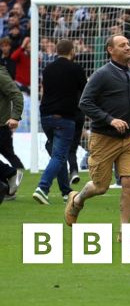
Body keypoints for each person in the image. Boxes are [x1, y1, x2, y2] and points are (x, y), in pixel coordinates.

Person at [70, 35, 130, 234]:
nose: (128, 48)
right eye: (123, 45)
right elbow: (84, 103)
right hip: (104, 139)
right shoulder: (101, 74)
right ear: (110, 50)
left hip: (129, 138)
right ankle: (77, 199)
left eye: (129, 44)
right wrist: (110, 119)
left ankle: (125, 231)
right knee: (100, 187)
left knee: (129, 182)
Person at [31, 40, 87, 205]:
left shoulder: (48, 68)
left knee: (58, 152)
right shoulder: (76, 68)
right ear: (72, 51)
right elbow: (85, 91)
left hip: (46, 116)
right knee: (60, 154)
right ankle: (42, 187)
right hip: (65, 117)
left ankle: (66, 192)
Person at [0, 55, 25, 200]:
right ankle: (7, 190)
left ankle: (11, 174)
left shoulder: (1, 74)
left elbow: (16, 94)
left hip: (1, 124)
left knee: (9, 153)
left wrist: (15, 117)